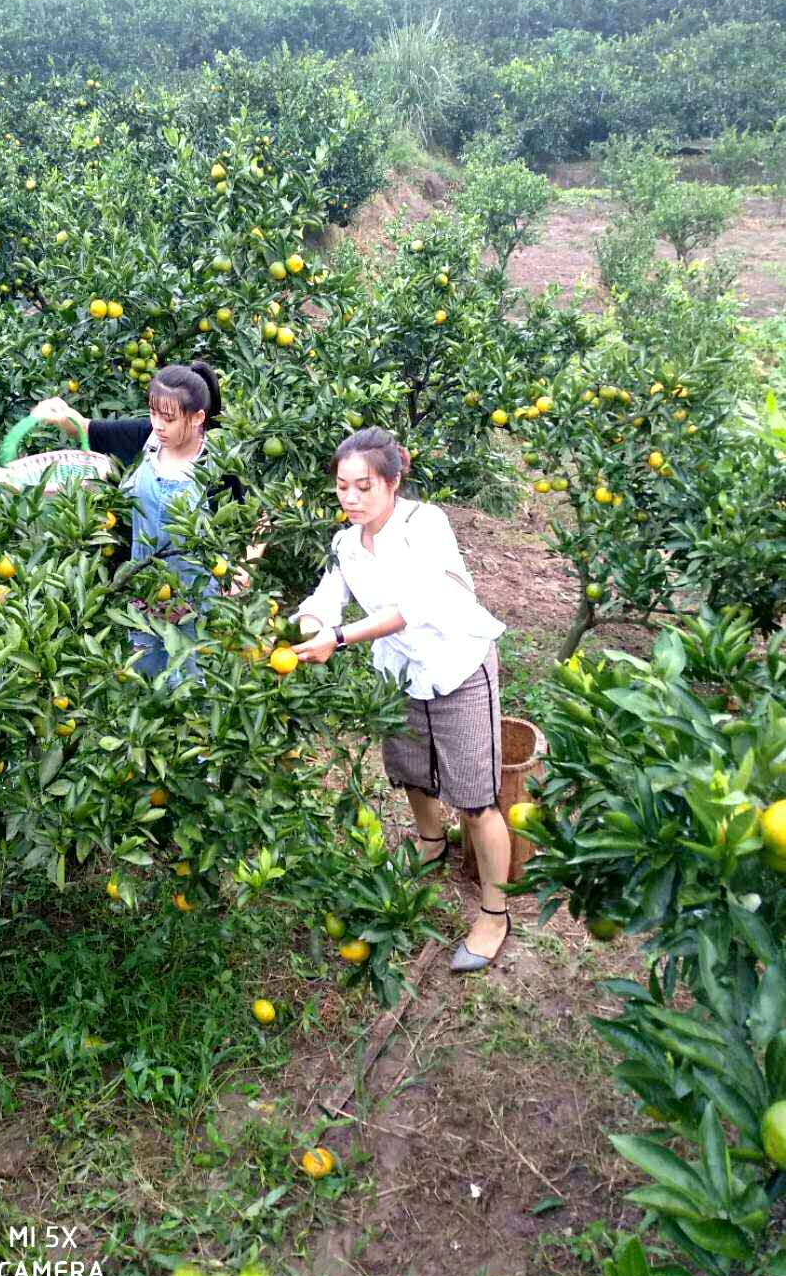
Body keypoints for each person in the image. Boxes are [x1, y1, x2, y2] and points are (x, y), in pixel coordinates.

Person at [293, 428, 512, 972]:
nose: (350, 498)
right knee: (410, 769)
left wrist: (339, 639)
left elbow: (411, 605)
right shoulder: (347, 543)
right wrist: (314, 621)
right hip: (401, 675)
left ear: (392, 483)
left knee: (476, 798)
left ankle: (494, 910)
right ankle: (429, 841)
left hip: (457, 668)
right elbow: (327, 596)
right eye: (342, 487)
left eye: (363, 487)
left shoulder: (425, 526)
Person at [32, 362, 254, 678]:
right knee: (147, 681)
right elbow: (85, 427)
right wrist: (59, 413)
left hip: (199, 597)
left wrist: (243, 568)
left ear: (197, 418)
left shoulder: (218, 464)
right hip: (146, 591)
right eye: (153, 414)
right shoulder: (144, 439)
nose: (158, 425)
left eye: (168, 418)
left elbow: (250, 523)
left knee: (196, 685)